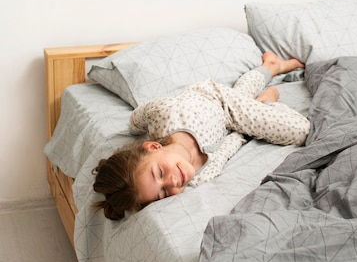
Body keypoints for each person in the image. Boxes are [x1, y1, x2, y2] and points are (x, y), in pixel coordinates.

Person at [93, 52, 310, 220]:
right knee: (258, 112)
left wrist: (133, 127)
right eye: (163, 194)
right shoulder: (200, 177)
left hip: (216, 97)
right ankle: (269, 71)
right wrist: (258, 112)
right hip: (228, 125)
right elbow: (230, 146)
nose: (173, 182)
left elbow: (138, 116)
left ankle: (265, 78)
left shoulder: (165, 114)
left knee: (300, 130)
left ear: (152, 147)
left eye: (159, 172)